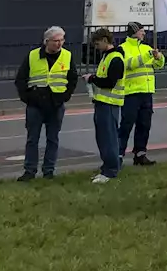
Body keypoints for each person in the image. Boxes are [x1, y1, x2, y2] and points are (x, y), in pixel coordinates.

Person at [14, 25, 78, 181]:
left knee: (53, 138)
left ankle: (49, 170)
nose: (59, 44)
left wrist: (65, 96)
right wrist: (27, 98)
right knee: (32, 139)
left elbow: (72, 79)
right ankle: (30, 171)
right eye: (55, 41)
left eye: (61, 40)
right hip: (36, 104)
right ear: (46, 41)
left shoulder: (67, 56)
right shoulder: (33, 56)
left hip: (56, 103)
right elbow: (21, 79)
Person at [118, 20, 165, 167]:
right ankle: (118, 154)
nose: (144, 33)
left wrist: (159, 58)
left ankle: (140, 154)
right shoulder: (122, 49)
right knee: (126, 125)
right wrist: (147, 56)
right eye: (141, 30)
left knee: (144, 125)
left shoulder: (146, 47)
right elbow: (128, 64)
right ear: (134, 32)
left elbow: (158, 65)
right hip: (131, 92)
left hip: (146, 91)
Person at [85, 28, 125, 183]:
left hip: (109, 103)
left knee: (108, 138)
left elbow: (109, 82)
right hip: (103, 102)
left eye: (97, 44)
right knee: (104, 138)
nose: (96, 47)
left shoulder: (115, 58)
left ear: (104, 40)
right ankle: (107, 168)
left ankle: (110, 170)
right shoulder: (107, 57)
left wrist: (93, 79)